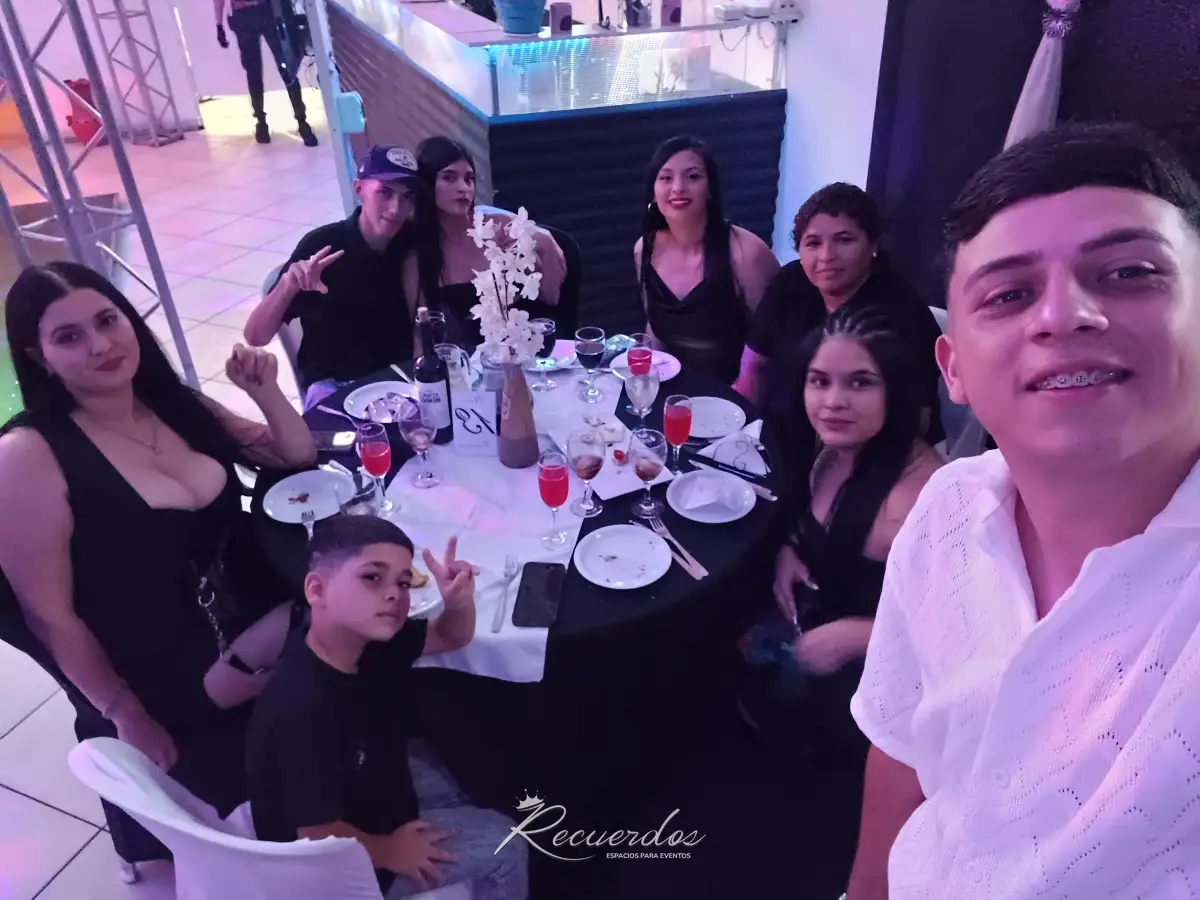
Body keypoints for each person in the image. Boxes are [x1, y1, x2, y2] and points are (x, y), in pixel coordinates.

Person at [844, 122, 1200, 900]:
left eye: (1129, 273)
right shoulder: (946, 510)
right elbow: (903, 745)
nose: (1062, 315)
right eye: (1009, 295)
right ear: (955, 370)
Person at [0, 262, 316, 865]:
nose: (101, 345)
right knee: (348, 637)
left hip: (243, 616)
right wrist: (125, 713)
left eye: (107, 320)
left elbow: (294, 456)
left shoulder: (170, 403)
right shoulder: (28, 455)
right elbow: (48, 616)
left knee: (371, 600)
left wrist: (265, 391)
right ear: (40, 358)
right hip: (162, 665)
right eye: (69, 337)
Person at [247, 515, 528, 899]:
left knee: (475, 777)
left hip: (372, 785)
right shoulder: (304, 707)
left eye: (403, 582)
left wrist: (458, 603)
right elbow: (315, 835)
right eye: (372, 577)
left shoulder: (368, 639)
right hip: (335, 861)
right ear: (317, 588)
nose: (395, 594)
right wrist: (390, 851)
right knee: (507, 843)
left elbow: (449, 636)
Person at [739, 307, 941, 756]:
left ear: (897, 392)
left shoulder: (915, 502)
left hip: (876, 697)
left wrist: (858, 636)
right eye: (820, 381)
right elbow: (816, 521)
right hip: (814, 626)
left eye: (860, 383)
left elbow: (964, 632)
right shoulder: (836, 448)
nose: (833, 402)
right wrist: (792, 547)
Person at [733, 183, 943, 444]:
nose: (827, 256)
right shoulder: (790, 282)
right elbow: (754, 366)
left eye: (844, 240)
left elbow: (916, 422)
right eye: (813, 243)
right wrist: (737, 435)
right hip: (780, 440)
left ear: (873, 244)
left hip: (865, 452)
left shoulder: (904, 315)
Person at [245, 145, 419, 410]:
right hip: (334, 384)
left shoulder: (412, 242)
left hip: (398, 380)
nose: (396, 209)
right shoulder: (323, 246)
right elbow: (255, 336)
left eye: (407, 197)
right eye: (385, 193)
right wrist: (288, 285)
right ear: (359, 189)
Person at [634, 135, 779, 384]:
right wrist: (647, 385)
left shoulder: (747, 254)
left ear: (710, 188)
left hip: (734, 392)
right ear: (653, 192)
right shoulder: (644, 249)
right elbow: (654, 331)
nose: (678, 188)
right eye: (666, 178)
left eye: (692, 176)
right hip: (672, 389)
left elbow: (772, 346)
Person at [403, 136, 567, 351]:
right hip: (470, 364)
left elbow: (552, 298)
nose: (464, 188)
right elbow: (421, 338)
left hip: (531, 351)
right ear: (426, 183)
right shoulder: (418, 255)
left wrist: (546, 242)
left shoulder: (501, 227)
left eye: (469, 179)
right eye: (449, 178)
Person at [214, 0, 317, 146]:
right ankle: (295, 122)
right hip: (256, 13)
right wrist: (219, 25)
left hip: (259, 12)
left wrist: (219, 25)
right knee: (265, 70)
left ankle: (275, 122)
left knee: (276, 69)